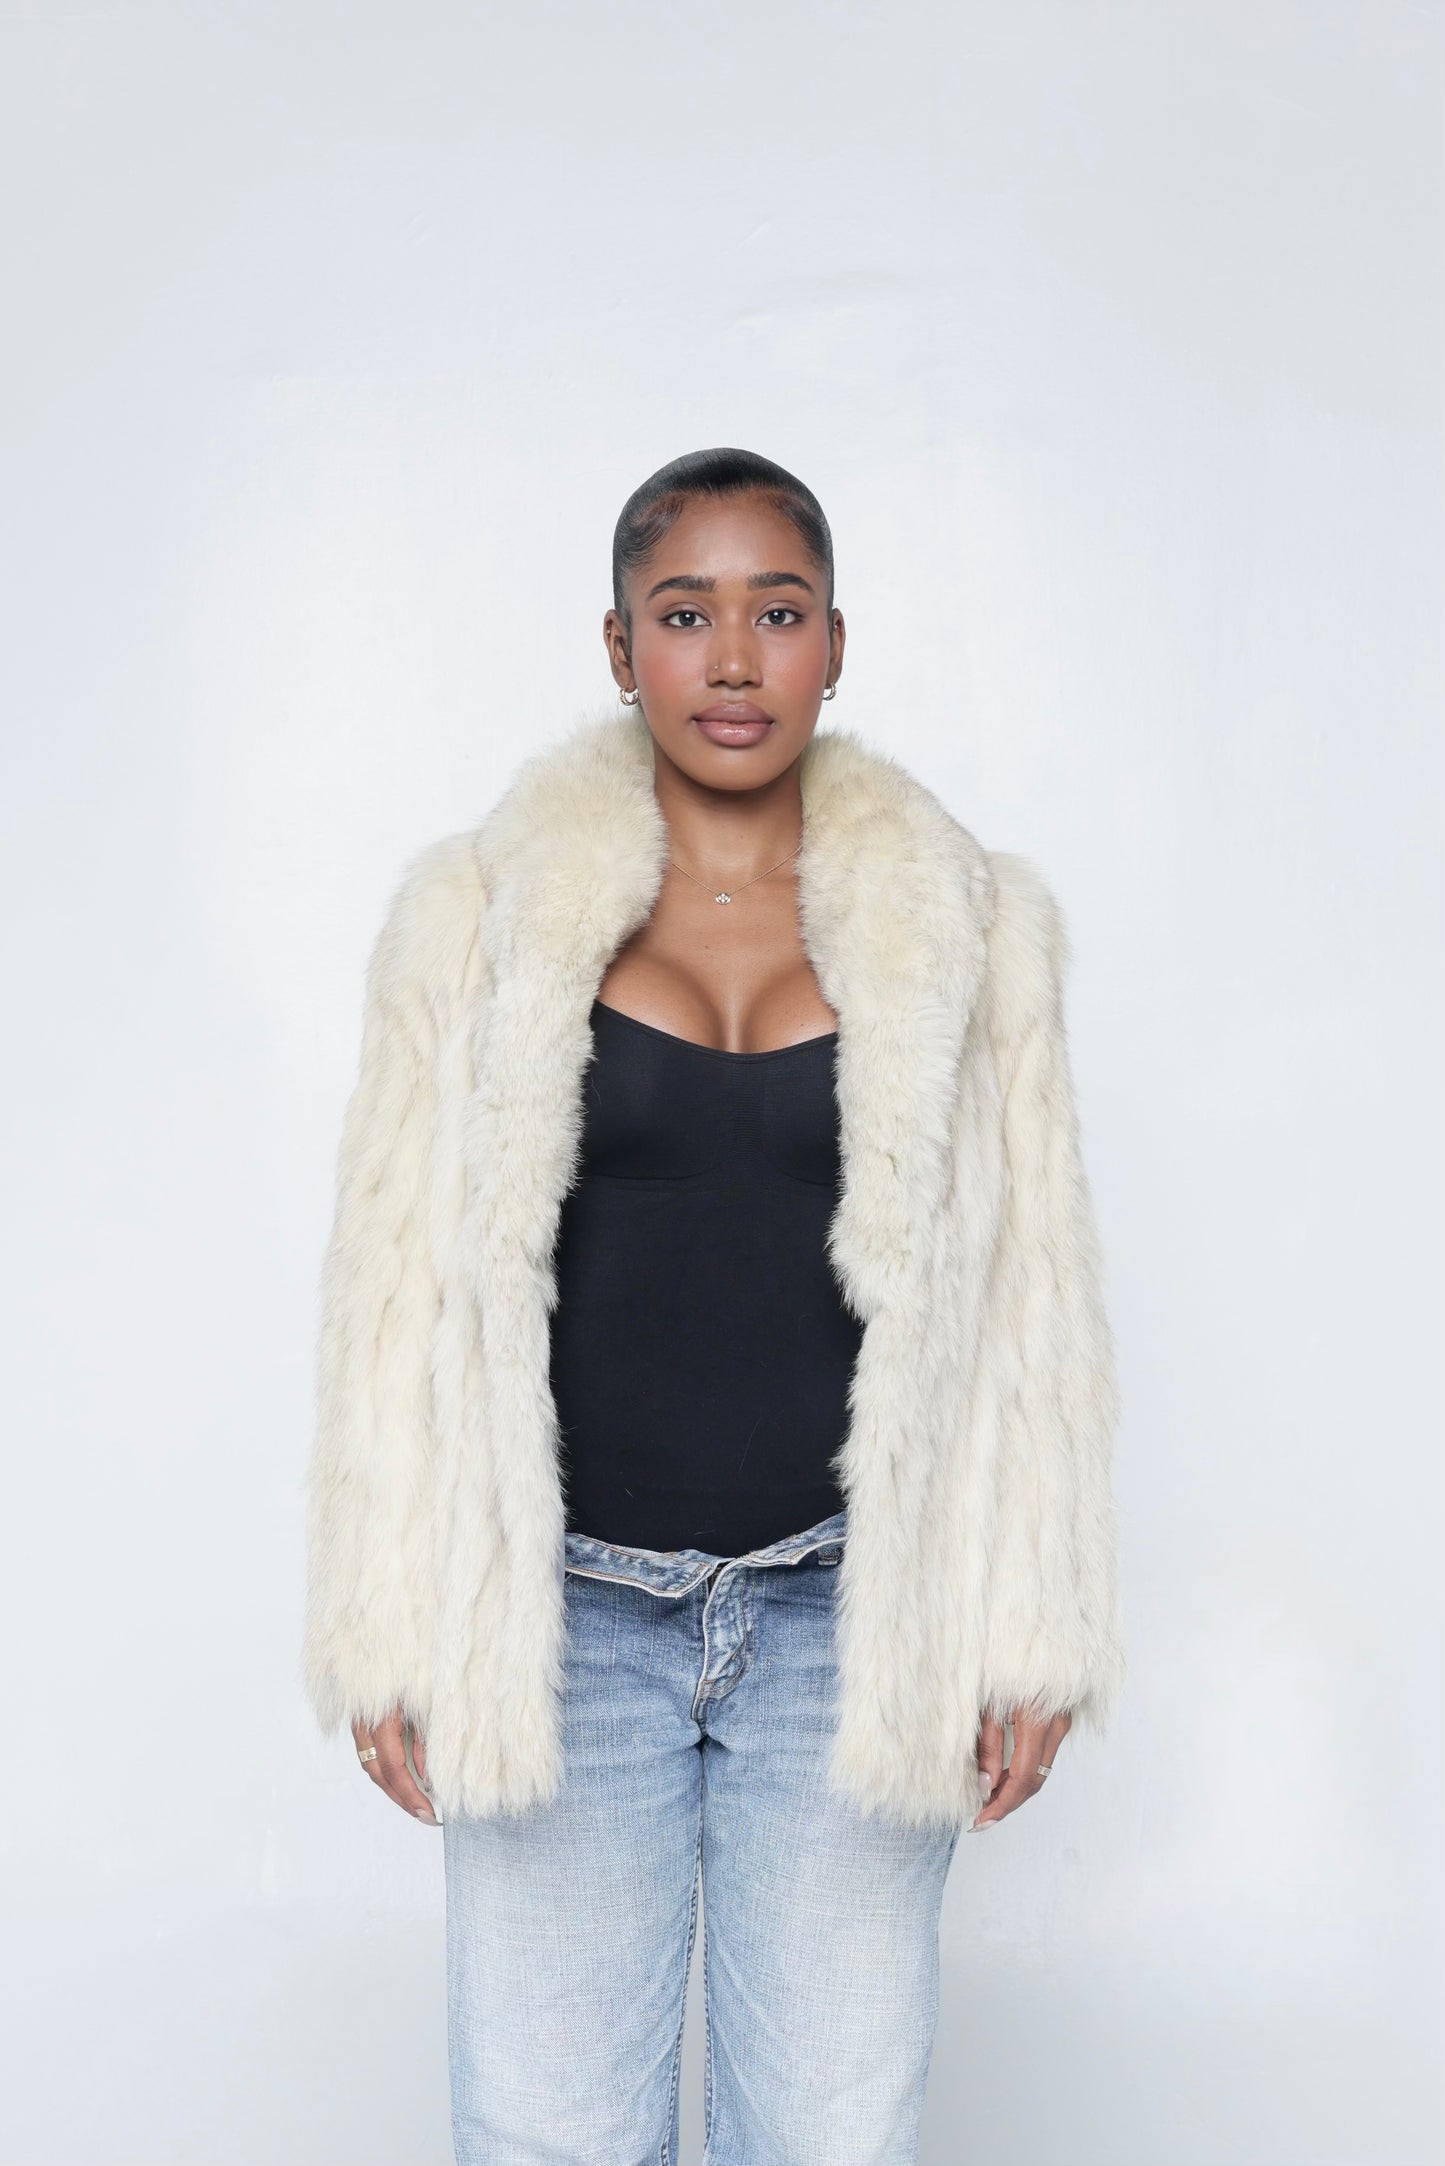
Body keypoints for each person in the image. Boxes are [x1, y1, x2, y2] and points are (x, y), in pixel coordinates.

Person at [301, 447, 1125, 2166]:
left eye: (778, 612)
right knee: (543, 2137)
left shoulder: (973, 924)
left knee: (830, 2139)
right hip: (561, 1625)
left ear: (837, 642)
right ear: (618, 647)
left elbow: (1034, 1289)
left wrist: (1029, 1620)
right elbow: (391, 1276)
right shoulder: (476, 916)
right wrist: (383, 1613)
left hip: (849, 1623)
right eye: (684, 615)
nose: (734, 659)